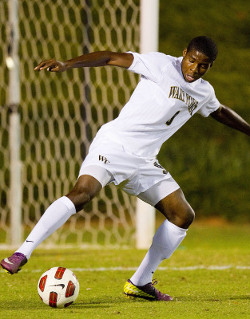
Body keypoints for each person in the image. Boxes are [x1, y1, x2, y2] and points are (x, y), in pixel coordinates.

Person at [1, 36, 250, 301]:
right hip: (113, 146)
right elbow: (110, 57)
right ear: (184, 53)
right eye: (192, 60)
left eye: (203, 66)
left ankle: (140, 282)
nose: (194, 69)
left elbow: (219, 111)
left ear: (210, 66)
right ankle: (22, 253)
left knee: (182, 215)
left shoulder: (204, 92)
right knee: (82, 194)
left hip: (144, 162)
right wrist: (67, 63)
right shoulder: (159, 64)